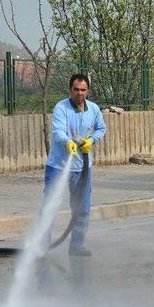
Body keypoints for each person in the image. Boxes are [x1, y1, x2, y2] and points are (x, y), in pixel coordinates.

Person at [44, 73, 107, 256]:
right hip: (58, 167)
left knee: (82, 208)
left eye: (83, 90)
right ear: (70, 89)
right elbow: (58, 131)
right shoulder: (61, 108)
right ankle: (42, 247)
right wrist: (68, 142)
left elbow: (101, 128)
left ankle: (77, 246)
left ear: (88, 91)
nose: (79, 93)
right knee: (50, 207)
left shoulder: (93, 109)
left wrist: (92, 140)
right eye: (76, 89)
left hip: (82, 169)